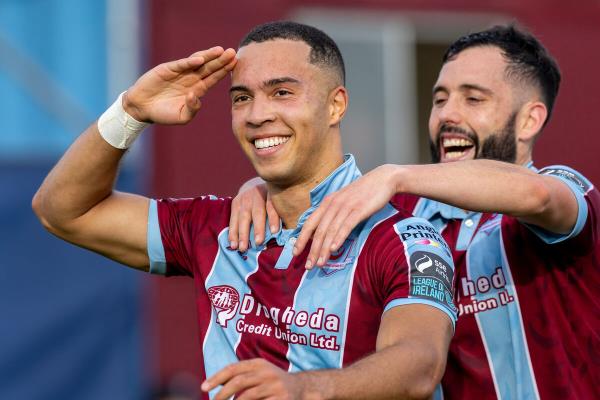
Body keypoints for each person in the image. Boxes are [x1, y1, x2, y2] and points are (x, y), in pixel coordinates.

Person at [32, 21, 457, 399]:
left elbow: (419, 365)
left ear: (335, 105)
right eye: (241, 98)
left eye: (282, 93)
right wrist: (130, 113)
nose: (258, 115)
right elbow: (62, 211)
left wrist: (302, 388)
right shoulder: (214, 227)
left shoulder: (404, 239)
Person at [229, 25, 600, 399]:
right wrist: (261, 189)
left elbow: (537, 195)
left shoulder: (564, 192)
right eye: (440, 99)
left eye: (474, 99)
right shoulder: (400, 221)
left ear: (529, 120)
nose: (447, 115)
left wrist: (396, 174)